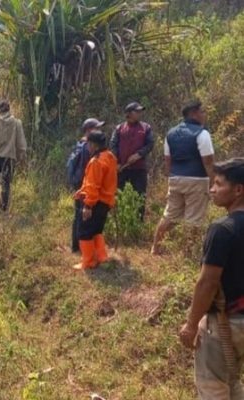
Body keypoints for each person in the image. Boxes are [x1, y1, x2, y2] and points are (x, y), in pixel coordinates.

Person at [178, 158, 244, 399]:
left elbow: (208, 282)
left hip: (225, 324)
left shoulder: (222, 229)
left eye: (218, 184)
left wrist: (191, 324)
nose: (212, 189)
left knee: (213, 388)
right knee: (232, 382)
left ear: (238, 191)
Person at [151, 100, 215, 255]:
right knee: (194, 219)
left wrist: (170, 179)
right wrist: (214, 183)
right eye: (202, 111)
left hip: (175, 179)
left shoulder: (171, 133)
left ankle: (155, 248)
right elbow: (208, 162)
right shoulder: (202, 133)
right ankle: (187, 253)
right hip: (197, 180)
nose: (204, 114)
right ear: (194, 113)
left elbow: (168, 160)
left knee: (169, 215)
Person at [72, 131, 118, 270]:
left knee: (84, 232)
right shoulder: (110, 157)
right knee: (97, 230)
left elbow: (93, 186)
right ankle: (101, 257)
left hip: (95, 203)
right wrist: (82, 191)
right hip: (105, 202)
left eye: (88, 143)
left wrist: (88, 206)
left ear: (93, 145)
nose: (87, 146)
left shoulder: (96, 161)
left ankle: (89, 262)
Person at [111, 102, 155, 220]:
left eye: (141, 111)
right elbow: (113, 146)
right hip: (122, 170)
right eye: (137, 111)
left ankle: (138, 223)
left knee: (140, 196)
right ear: (129, 114)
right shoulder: (119, 128)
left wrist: (138, 154)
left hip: (139, 169)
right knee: (120, 196)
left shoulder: (146, 127)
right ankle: (122, 221)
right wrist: (117, 163)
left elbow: (150, 144)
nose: (140, 113)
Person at [67, 118, 105, 253]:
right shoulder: (87, 147)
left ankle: (76, 246)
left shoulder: (81, 144)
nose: (100, 130)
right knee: (82, 216)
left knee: (79, 214)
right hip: (84, 185)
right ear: (89, 130)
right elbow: (87, 168)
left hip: (81, 185)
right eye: (97, 128)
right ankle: (79, 247)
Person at [0, 99, 27, 214]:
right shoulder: (17, 123)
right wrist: (21, 157)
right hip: (9, 158)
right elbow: (21, 144)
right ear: (9, 109)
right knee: (6, 184)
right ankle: (4, 209)